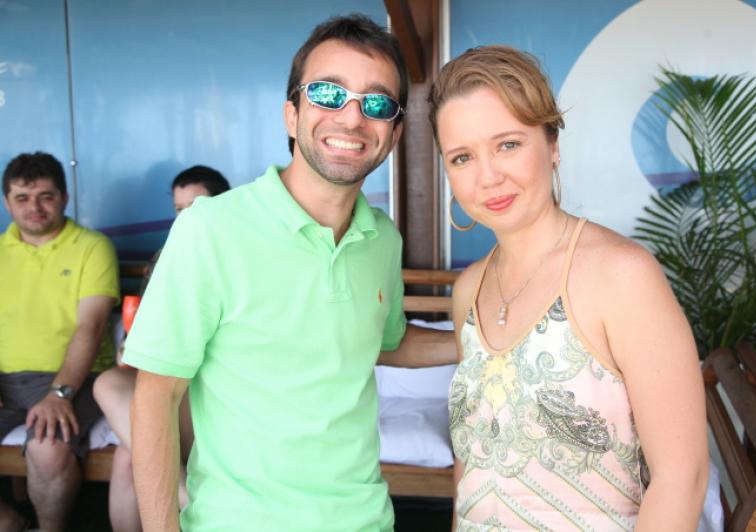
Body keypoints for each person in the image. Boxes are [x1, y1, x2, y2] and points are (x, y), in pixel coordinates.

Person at [123, 14, 453, 532]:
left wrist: (483, 340)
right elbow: (155, 397)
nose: (351, 117)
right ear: (291, 115)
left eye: (376, 103)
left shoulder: (382, 239)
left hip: (365, 521)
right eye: (328, 93)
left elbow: (384, 342)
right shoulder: (210, 229)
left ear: (393, 133)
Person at [428, 46, 709, 531]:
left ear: (552, 145)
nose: (488, 176)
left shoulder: (621, 275)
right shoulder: (468, 290)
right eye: (462, 157)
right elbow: (472, 468)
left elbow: (682, 478)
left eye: (508, 145)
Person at [93, 165, 230, 532]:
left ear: (224, 205)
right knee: (113, 397)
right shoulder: (164, 258)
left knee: (133, 455)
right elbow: (143, 334)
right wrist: (131, 349)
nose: (185, 219)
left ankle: (186, 499)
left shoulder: (239, 257)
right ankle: (186, 496)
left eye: (195, 208)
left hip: (217, 391)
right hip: (172, 385)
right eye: (178, 210)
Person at [0, 151, 119, 532]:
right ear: (7, 203)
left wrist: (60, 393)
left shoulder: (92, 246)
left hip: (75, 379)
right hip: (5, 382)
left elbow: (92, 326)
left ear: (64, 198)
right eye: (22, 198)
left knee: (47, 447)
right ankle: (12, 523)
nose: (34, 207)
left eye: (46, 196)